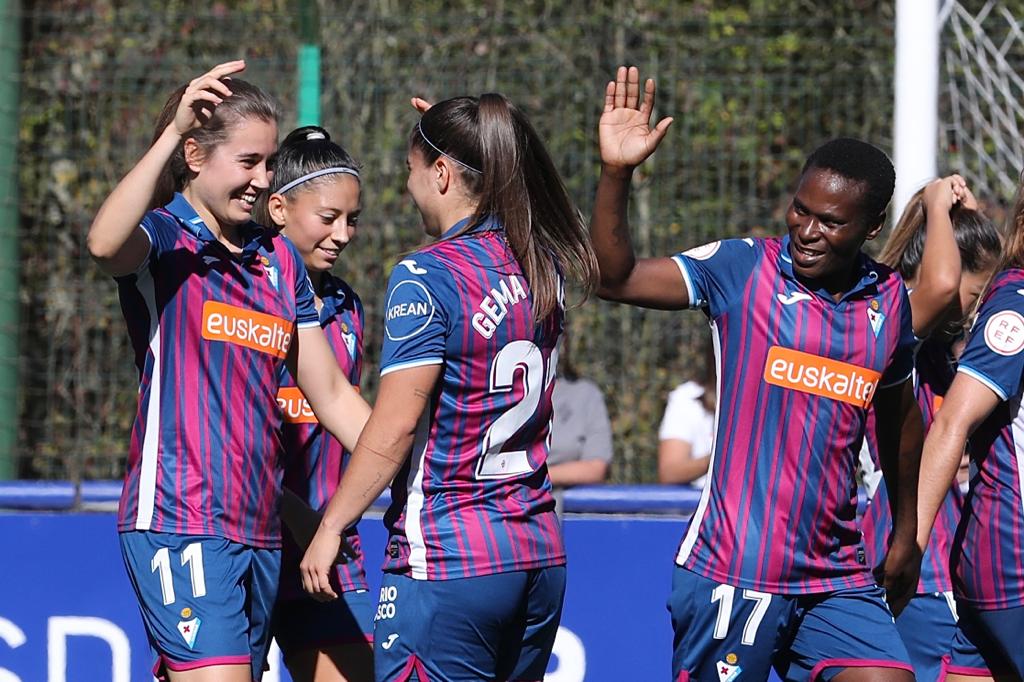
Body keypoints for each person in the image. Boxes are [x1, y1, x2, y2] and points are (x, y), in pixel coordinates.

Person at [591, 66, 921, 681]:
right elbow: (615, 277)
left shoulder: (889, 302)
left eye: (831, 221)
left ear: (871, 228)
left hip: (836, 577)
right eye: (802, 210)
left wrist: (907, 533)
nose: (808, 230)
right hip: (732, 570)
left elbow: (902, 422)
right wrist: (617, 173)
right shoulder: (744, 270)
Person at [299, 92, 599, 681]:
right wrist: (481, 146)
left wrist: (332, 524)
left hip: (450, 559)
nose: (409, 188)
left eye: (413, 171)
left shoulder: (426, 275)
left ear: (440, 173)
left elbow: (396, 425)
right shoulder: (544, 266)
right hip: (537, 555)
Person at [86, 62, 370, 682]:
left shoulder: (277, 263)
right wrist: (165, 138)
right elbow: (105, 244)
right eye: (249, 162)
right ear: (194, 154)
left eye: (269, 163)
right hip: (179, 517)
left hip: (259, 531)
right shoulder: (165, 241)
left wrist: (419, 462)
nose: (263, 180)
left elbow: (331, 395)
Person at [857, 176, 1000, 682]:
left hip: (948, 576)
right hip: (923, 573)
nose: (989, 305)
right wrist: (940, 212)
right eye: (981, 292)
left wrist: (970, 221)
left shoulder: (948, 360)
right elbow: (941, 287)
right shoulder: (899, 336)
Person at [258, 126, 373, 682]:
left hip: (327, 548)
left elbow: (350, 414)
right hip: (244, 538)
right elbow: (221, 431)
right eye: (328, 218)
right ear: (278, 209)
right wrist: (290, 509)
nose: (343, 234)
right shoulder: (240, 293)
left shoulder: (348, 307)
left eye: (352, 219)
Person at [917, 182, 1024, 680]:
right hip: (1007, 562)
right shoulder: (1015, 305)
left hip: (978, 565)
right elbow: (950, 424)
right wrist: (910, 545)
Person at [548, 334, 613, 489]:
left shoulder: (585, 395)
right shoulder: (498, 393)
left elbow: (596, 468)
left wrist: (531, 479)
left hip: (559, 507)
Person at [657, 347, 716, 487]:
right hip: (699, 505)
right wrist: (722, 457)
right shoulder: (687, 397)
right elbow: (669, 472)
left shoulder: (771, 398)